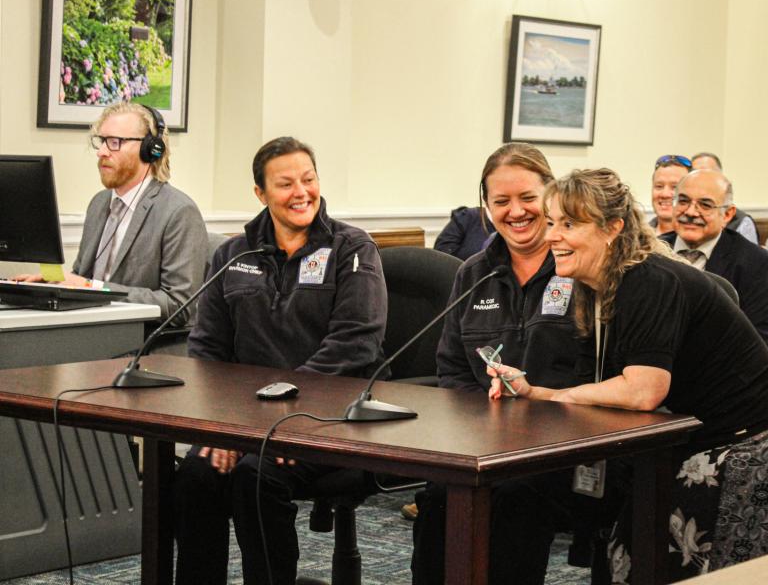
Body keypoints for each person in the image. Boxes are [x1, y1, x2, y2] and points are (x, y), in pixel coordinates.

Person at [488, 168, 768, 581]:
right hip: (686, 437)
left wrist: (555, 397)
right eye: (552, 222)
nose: (552, 236)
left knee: (715, 570)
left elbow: (643, 390)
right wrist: (532, 390)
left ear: (612, 228)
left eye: (569, 224)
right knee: (627, 554)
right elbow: (597, 384)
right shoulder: (593, 287)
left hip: (751, 440)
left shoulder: (648, 280)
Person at [174, 137, 388, 585]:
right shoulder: (233, 255)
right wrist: (225, 426)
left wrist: (269, 421)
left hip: (330, 418)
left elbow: (355, 345)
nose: (301, 192)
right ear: (260, 194)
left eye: (308, 179)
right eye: (285, 183)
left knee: (256, 475)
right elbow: (208, 351)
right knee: (195, 472)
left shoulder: (353, 249)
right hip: (246, 419)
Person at [411, 143, 607, 585]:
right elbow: (453, 370)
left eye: (527, 198)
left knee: (517, 499)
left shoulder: (583, 268)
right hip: (484, 445)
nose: (515, 212)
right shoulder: (473, 273)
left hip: (565, 447)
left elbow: (602, 370)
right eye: (501, 201)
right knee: (440, 495)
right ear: (486, 207)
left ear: (551, 198)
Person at [14, 102, 206, 325]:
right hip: (91, 330)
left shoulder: (179, 212)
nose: (102, 152)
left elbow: (177, 305)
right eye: (101, 141)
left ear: (151, 149)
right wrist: (55, 284)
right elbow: (81, 275)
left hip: (139, 342)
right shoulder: (99, 203)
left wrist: (92, 288)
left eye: (115, 142)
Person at [661, 170, 768, 352]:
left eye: (705, 205)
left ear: (727, 215)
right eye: (683, 201)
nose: (691, 212)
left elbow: (758, 345)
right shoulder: (650, 252)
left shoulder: (756, 264)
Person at [690, 152, 759, 244]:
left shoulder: (741, 222)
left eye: (708, 174)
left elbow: (750, 257)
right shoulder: (682, 214)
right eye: (695, 174)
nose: (702, 180)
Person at [649, 154, 692, 235]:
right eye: (659, 186)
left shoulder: (697, 241)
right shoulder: (635, 236)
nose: (665, 194)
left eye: (675, 187)